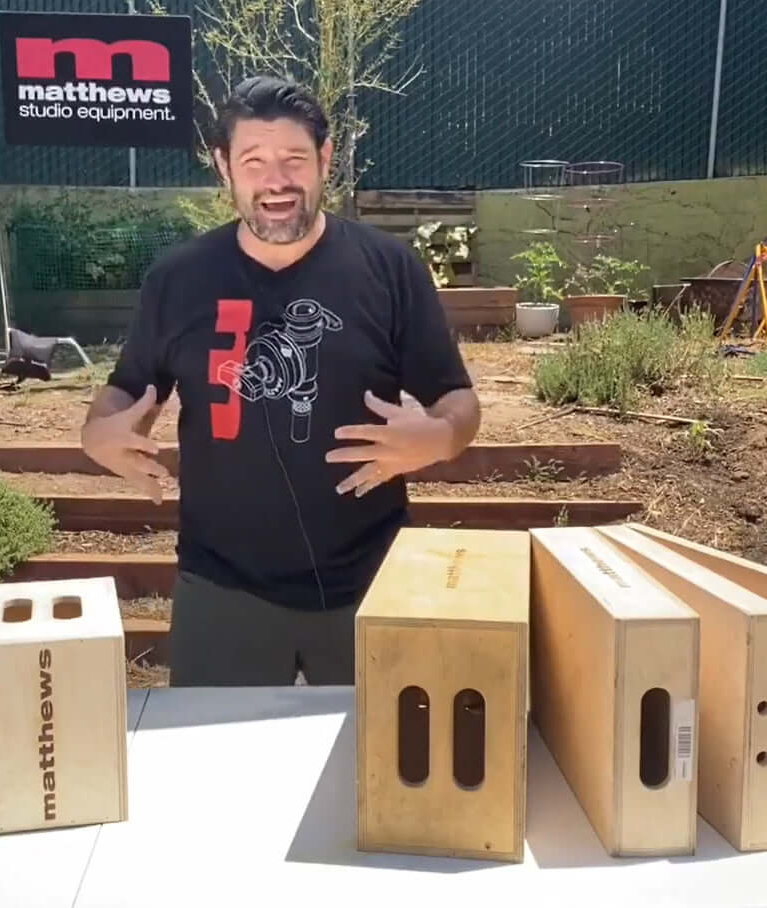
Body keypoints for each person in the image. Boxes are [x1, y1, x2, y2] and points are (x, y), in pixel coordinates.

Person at [80, 75, 481, 687]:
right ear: (224, 168)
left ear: (324, 160)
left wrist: (442, 437)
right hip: (221, 589)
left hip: (370, 580)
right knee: (220, 769)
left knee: (375, 775)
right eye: (254, 161)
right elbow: (128, 388)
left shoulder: (388, 269)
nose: (276, 181)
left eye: (294, 159)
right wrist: (97, 433)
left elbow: (457, 399)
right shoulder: (179, 278)